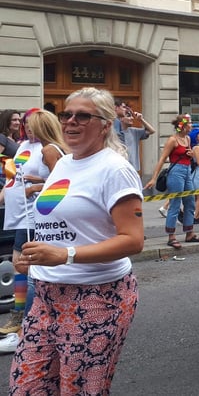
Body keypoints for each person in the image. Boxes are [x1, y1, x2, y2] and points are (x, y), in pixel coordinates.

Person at [10, 87, 143, 393]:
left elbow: (133, 240)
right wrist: (32, 256)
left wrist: (65, 254)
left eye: (83, 116)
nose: (71, 121)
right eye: (66, 114)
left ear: (106, 123)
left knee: (80, 390)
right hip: (45, 297)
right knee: (26, 386)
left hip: (97, 297)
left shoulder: (115, 169)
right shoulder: (65, 162)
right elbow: (63, 218)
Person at [0, 109, 69, 353]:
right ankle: (28, 321)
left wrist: (34, 187)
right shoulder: (23, 146)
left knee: (30, 270)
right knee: (23, 267)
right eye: (25, 123)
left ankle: (27, 330)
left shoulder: (49, 149)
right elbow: (14, 175)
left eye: (33, 124)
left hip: (39, 216)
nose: (28, 127)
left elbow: (63, 182)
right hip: (22, 214)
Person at [144, 114, 199, 249]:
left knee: (190, 201)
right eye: (190, 123)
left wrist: (191, 155)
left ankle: (189, 233)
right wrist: (153, 178)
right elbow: (162, 159)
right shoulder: (172, 140)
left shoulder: (187, 139)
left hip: (187, 171)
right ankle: (171, 236)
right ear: (183, 125)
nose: (192, 126)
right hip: (176, 172)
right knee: (175, 203)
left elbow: (189, 156)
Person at [120, 106, 155, 172]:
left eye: (132, 116)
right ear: (121, 118)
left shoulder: (134, 132)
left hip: (133, 169)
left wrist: (141, 120)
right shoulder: (113, 133)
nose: (132, 118)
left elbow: (152, 131)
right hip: (119, 169)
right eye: (128, 116)